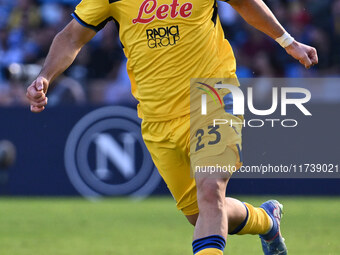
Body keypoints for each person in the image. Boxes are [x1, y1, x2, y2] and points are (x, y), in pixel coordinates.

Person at [26, 0, 318, 254]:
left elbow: (243, 2)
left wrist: (288, 41)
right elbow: (72, 37)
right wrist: (45, 77)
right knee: (199, 214)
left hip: (212, 94)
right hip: (157, 116)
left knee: (210, 191)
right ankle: (266, 220)